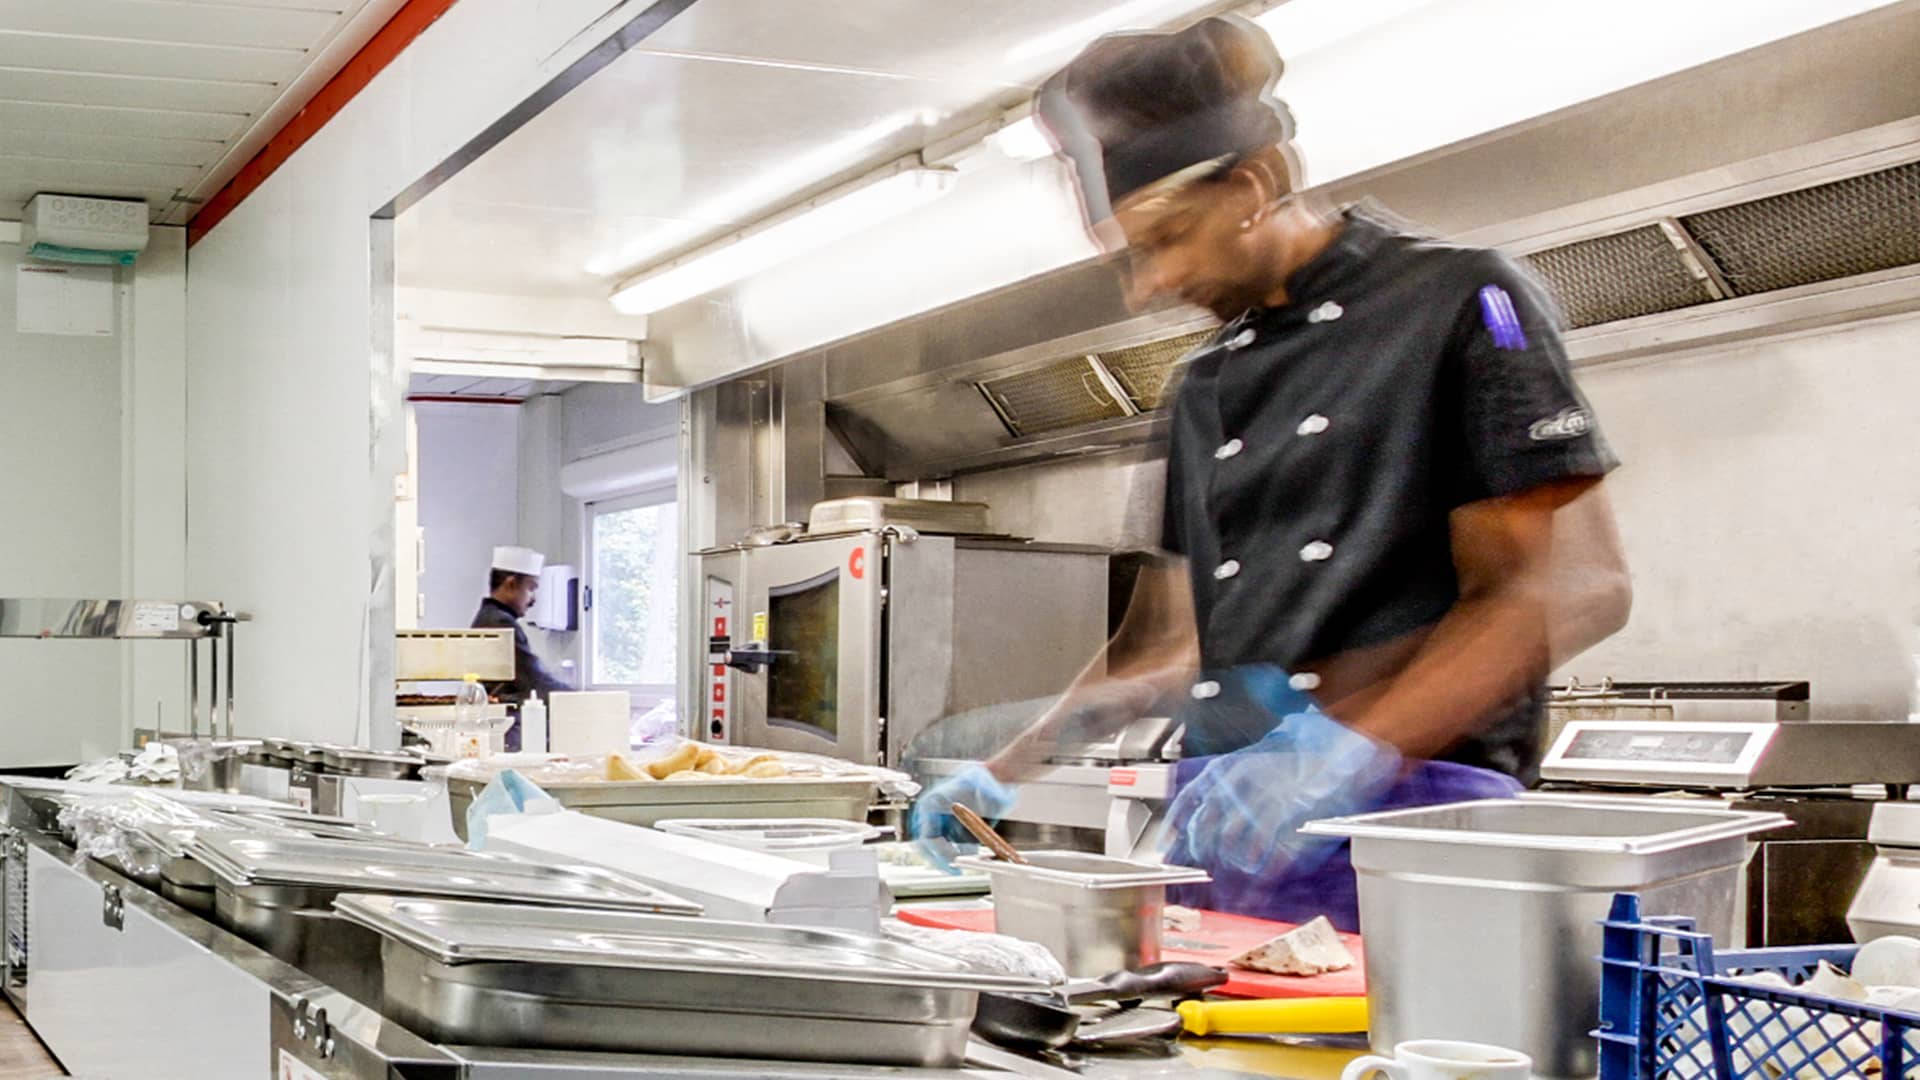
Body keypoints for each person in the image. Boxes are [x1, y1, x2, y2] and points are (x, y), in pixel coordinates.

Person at [911, 15, 1633, 927]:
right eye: (1132, 253)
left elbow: (1572, 587)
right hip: (1224, 821)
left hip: (1416, 830)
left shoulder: (1464, 299)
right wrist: (1001, 771)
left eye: (1166, 238)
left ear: (1255, 183)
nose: (1149, 284)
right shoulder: (1205, 380)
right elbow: (1161, 649)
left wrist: (1346, 751)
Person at [471, 545, 572, 749]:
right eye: (531, 588)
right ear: (511, 584)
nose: (533, 599)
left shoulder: (493, 618)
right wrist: (580, 701)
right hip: (510, 728)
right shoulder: (498, 624)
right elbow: (532, 679)